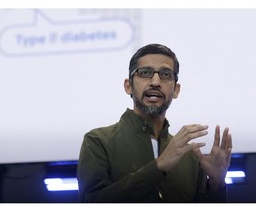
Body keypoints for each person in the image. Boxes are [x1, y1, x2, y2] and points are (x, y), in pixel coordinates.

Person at [76, 43, 233, 202]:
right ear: (128, 86)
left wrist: (216, 184)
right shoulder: (98, 141)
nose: (156, 82)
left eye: (165, 74)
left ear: (176, 90)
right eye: (145, 73)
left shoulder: (189, 156)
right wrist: (159, 166)